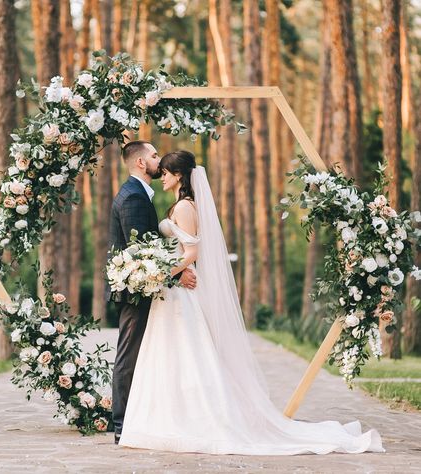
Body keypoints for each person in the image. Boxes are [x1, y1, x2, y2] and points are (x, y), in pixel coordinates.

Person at [118, 150, 384, 455]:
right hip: (174, 291)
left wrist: (159, 272)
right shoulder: (180, 205)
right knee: (170, 356)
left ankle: (191, 419)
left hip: (180, 292)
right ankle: (166, 416)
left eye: (165, 171)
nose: (161, 176)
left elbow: (192, 254)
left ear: (178, 175)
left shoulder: (185, 207)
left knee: (187, 355)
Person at [106, 141, 196, 445]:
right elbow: (142, 251)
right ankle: (121, 424)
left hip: (147, 288)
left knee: (145, 354)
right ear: (142, 163)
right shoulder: (133, 197)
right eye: (155, 155)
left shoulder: (141, 195)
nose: (160, 160)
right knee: (129, 355)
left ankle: (141, 417)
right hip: (136, 290)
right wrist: (179, 271)